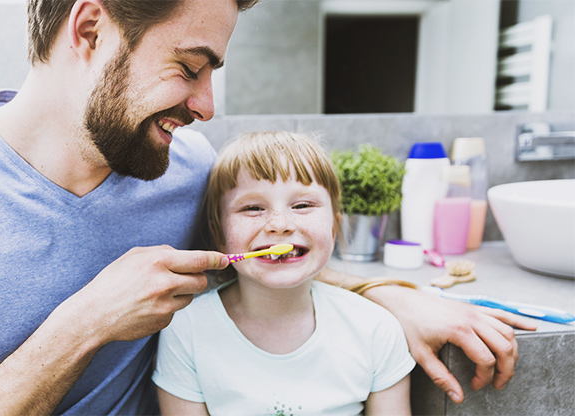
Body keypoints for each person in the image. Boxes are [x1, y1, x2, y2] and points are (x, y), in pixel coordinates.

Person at [0, 0, 536, 414]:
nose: (206, 107)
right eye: (189, 67)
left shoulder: (189, 167)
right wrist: (85, 324)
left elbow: (265, 254)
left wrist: (391, 297)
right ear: (89, 29)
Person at [154, 131, 414, 415]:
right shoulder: (186, 331)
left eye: (302, 205)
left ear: (333, 228)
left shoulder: (376, 330)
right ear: (219, 235)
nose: (279, 224)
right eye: (253, 208)